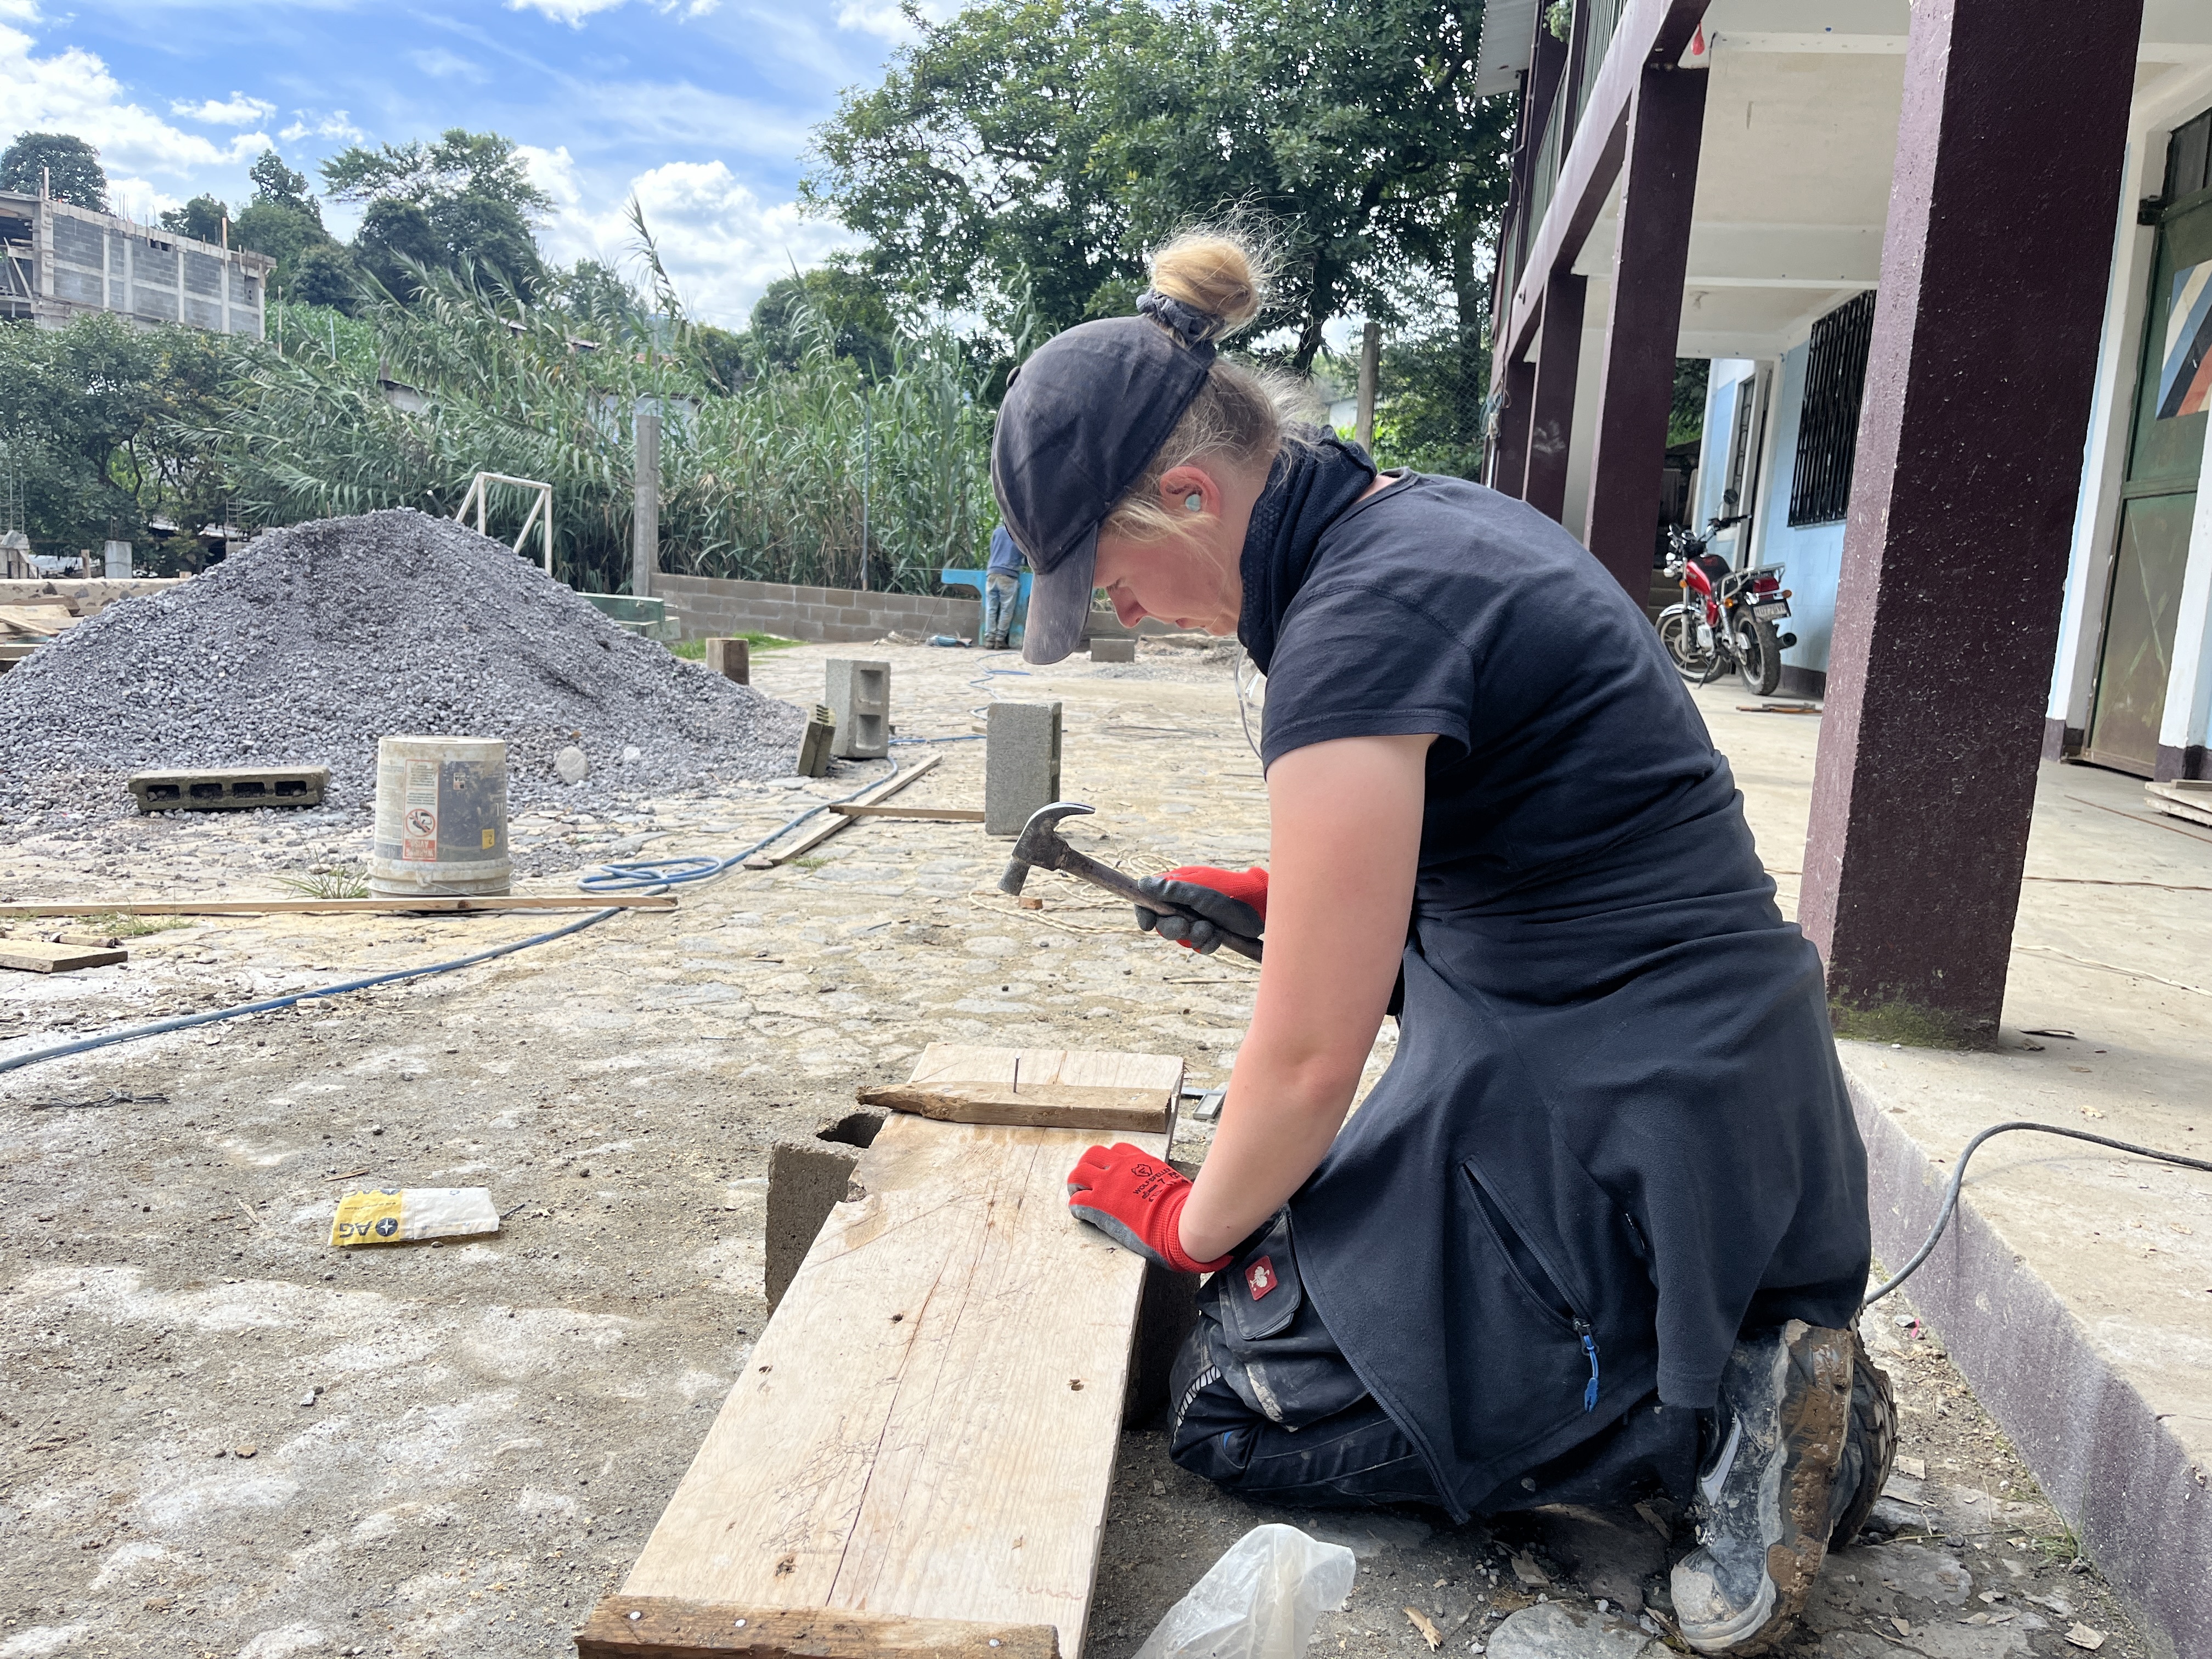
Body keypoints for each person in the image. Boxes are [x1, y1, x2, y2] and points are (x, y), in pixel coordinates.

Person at [989, 229, 1894, 1654]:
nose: (1123, 616)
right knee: (1297, 1245)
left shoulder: (1354, 626)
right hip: (1706, 1079)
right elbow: (1523, 850)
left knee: (1239, 1392)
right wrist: (1278, 901)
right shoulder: (1420, 523)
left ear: (1183, 497)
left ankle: (1726, 1416)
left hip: (1624, 1117)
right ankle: (1740, 1350)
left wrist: (1190, 1221)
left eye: (1108, 580)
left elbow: (1305, 1063)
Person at [981, 523, 1025, 650]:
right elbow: (1025, 556)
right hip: (1009, 574)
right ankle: (1000, 640)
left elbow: (993, 551)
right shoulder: (1020, 535)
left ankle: (989, 639)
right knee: (1007, 609)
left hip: (992, 573)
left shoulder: (997, 532)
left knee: (991, 608)